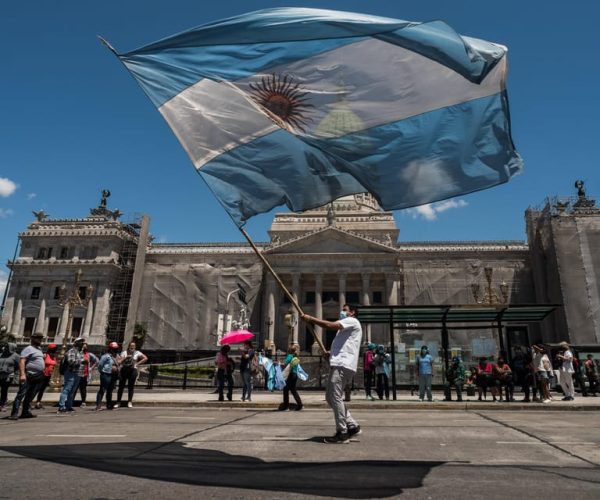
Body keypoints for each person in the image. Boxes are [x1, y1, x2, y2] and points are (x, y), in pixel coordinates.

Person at [301, 303, 362, 444]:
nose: (341, 311)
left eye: (345, 310)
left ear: (352, 312)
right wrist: (330, 354)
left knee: (335, 397)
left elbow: (329, 325)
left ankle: (342, 432)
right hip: (340, 364)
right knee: (330, 397)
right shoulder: (344, 330)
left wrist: (311, 319)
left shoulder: (352, 321)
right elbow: (345, 347)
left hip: (343, 365)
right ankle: (352, 426)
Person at [10, 332, 46, 420]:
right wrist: (22, 374)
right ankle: (14, 413)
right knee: (21, 394)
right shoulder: (28, 349)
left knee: (30, 395)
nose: (40, 340)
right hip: (28, 375)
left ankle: (25, 412)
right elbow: (22, 361)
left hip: (38, 375)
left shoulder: (39, 349)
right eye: (38, 338)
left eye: (41, 338)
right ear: (33, 339)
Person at [58, 336, 85, 414]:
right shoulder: (72, 351)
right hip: (71, 373)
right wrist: (82, 362)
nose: (82, 344)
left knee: (72, 391)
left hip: (78, 373)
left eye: (82, 342)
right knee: (67, 389)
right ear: (76, 343)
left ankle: (69, 406)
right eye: (81, 342)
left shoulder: (81, 352)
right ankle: (61, 407)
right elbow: (71, 362)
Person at [116, 341, 148, 408]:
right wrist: (126, 357)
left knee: (131, 387)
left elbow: (145, 358)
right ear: (129, 346)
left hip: (133, 370)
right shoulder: (124, 352)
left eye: (133, 346)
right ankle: (118, 402)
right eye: (131, 346)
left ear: (135, 347)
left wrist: (137, 364)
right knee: (121, 387)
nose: (132, 347)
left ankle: (129, 401)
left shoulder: (137, 353)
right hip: (124, 370)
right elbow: (119, 362)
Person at [95, 342, 121, 410]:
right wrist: (102, 372)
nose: (116, 350)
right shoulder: (106, 356)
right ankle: (98, 405)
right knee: (102, 389)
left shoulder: (116, 356)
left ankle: (109, 404)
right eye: (114, 349)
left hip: (113, 375)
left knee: (110, 390)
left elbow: (118, 364)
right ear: (110, 349)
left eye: (116, 349)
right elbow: (100, 365)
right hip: (106, 374)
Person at [34, 343, 58, 409]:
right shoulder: (45, 355)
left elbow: (53, 367)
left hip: (48, 375)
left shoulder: (54, 357)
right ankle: (28, 402)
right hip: (42, 374)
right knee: (36, 389)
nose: (54, 351)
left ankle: (38, 402)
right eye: (53, 350)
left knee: (42, 390)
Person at [75, 343, 98, 407]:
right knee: (74, 388)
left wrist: (91, 368)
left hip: (84, 374)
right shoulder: (78, 353)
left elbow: (97, 361)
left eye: (85, 348)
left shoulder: (89, 354)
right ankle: (71, 401)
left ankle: (83, 402)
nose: (84, 349)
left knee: (83, 389)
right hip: (77, 373)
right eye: (83, 347)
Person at [280, 346, 303, 411]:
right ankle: (300, 405)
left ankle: (286, 407)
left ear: (289, 350)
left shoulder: (290, 356)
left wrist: (278, 363)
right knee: (293, 390)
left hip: (290, 375)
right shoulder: (295, 357)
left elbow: (284, 363)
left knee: (285, 390)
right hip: (295, 375)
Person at [0, 342, 20, 412]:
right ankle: (4, 400)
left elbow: (18, 366)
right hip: (0, 374)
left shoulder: (16, 356)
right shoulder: (1, 354)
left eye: (7, 347)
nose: (5, 348)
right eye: (5, 347)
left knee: (4, 390)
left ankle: (3, 405)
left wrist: (11, 370)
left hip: (8, 376)